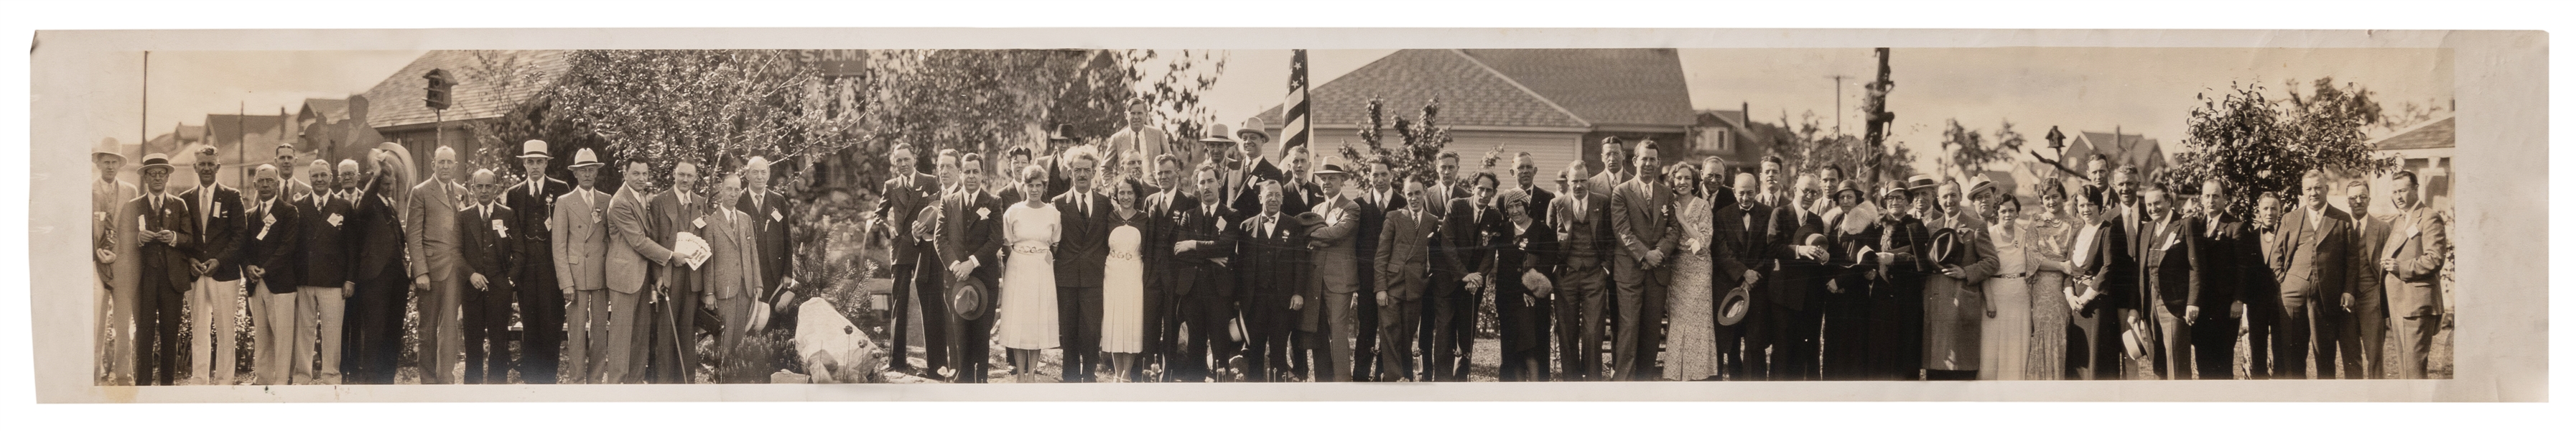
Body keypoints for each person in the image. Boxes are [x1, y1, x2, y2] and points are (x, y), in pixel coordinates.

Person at [118, 154, 196, 386]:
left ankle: (167, 386)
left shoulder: (178, 204)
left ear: (168, 177)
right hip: (142, 279)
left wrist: (173, 237)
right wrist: (138, 237)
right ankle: (143, 386)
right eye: (152, 174)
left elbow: (190, 239)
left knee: (170, 333)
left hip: (172, 279)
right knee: (144, 333)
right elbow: (122, 238)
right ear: (145, 178)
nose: (158, 178)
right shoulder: (134, 206)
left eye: (162, 173)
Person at [2269, 171, 2353, 379]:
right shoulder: (2291, 218)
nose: (2313, 193)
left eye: (2318, 188)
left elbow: (2352, 260)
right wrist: (2284, 281)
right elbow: (2276, 255)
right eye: (2308, 189)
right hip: (2292, 296)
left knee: (2324, 355)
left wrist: (2348, 290)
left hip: (2326, 297)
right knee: (2293, 355)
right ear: (2302, 192)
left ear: (2326, 189)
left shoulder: (2342, 219)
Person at [876, 144, 950, 379]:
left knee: (931, 303)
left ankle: (936, 364)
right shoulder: (891, 186)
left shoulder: (929, 181)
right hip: (900, 249)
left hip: (925, 247)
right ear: (894, 163)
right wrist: (888, 229)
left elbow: (940, 208)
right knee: (900, 301)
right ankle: (896, 361)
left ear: (914, 159)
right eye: (898, 161)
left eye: (906, 159)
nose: (903, 164)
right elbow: (879, 214)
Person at [1608, 139, 1678, 381]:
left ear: (1658, 163)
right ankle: (1623, 385)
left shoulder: (1666, 193)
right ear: (1634, 161)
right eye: (1643, 159)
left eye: (1652, 159)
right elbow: (1622, 230)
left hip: (1657, 271)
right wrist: (1644, 254)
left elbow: (1673, 229)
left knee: (1651, 331)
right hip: (1630, 271)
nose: (1648, 164)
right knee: (1628, 329)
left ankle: (1645, 384)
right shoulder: (1622, 192)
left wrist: (1659, 253)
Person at [177, 147, 248, 385]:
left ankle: (224, 382)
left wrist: (219, 260)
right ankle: (199, 380)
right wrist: (191, 261)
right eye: (202, 164)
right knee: (199, 329)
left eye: (211, 164)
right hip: (196, 274)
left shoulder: (232, 196)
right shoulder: (185, 199)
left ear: (218, 167)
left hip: (224, 274)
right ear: (194, 167)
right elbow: (183, 237)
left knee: (226, 330)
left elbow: (240, 236)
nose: (206, 168)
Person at [506, 140, 572, 384]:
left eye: (539, 161)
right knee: (530, 325)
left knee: (552, 325)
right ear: (524, 164)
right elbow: (513, 233)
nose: (535, 166)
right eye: (530, 161)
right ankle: (531, 381)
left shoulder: (561, 188)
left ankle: (548, 380)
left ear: (546, 163)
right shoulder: (514, 194)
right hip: (526, 273)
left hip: (552, 270)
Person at [347, 149, 414, 384]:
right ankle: (371, 380)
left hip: (397, 279)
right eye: (383, 183)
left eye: (391, 182)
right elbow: (360, 208)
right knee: (374, 331)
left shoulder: (392, 205)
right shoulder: (367, 202)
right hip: (375, 279)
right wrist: (375, 176)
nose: (388, 187)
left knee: (393, 331)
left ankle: (387, 379)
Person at [940, 153, 1006, 383]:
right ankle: (963, 380)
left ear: (982, 175)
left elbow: (996, 239)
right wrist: (957, 265)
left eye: (975, 171)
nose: (970, 176)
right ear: (960, 174)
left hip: (985, 280)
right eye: (966, 171)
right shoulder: (948, 202)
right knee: (961, 335)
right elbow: (940, 239)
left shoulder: (994, 202)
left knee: (981, 336)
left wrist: (972, 263)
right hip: (957, 278)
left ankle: (981, 382)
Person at [1167, 163, 1236, 382]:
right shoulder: (1189, 215)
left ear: (1219, 183)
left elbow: (1226, 246)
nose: (1206, 186)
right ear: (1197, 186)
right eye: (1202, 182)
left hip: (1219, 292)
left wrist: (1194, 245)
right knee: (1195, 349)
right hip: (1193, 292)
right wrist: (1211, 255)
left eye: (1211, 181)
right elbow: (1180, 251)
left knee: (1220, 349)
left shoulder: (1231, 215)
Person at [406, 146, 469, 384]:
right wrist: (420, 271)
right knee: (427, 331)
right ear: (433, 165)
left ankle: (446, 378)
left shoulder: (462, 192)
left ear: (455, 166)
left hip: (456, 272)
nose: (445, 166)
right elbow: (413, 234)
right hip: (431, 272)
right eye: (440, 162)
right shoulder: (421, 192)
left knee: (450, 329)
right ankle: (429, 381)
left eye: (449, 162)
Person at [1051, 144, 1113, 382]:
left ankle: (1089, 374)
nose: (1082, 175)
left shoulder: (1104, 203)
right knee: (1069, 331)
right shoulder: (1058, 203)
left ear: (1095, 171)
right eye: (1077, 170)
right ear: (1070, 171)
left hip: (1094, 277)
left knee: (1091, 329)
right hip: (1066, 276)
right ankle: (1069, 377)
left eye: (1087, 170)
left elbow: (1108, 239)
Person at [643, 161, 709, 384]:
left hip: (692, 278)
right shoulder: (659, 201)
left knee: (687, 333)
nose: (685, 180)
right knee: (665, 332)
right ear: (674, 173)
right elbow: (651, 241)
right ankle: (664, 384)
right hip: (668, 276)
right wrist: (658, 277)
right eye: (681, 174)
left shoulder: (701, 203)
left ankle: (686, 384)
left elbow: (705, 242)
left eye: (690, 176)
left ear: (696, 177)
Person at [1301, 159, 1366, 382]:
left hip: (1340, 281)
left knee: (1338, 333)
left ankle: (1342, 384)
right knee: (1318, 333)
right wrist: (1323, 236)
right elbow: (1328, 235)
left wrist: (1312, 235)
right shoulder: (1316, 209)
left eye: (1332, 178)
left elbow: (1339, 233)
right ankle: (1323, 382)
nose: (1326, 182)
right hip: (1316, 279)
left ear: (1342, 181)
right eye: (1323, 178)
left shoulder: (1352, 207)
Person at [552, 149, 613, 384]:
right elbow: (559, 246)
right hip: (575, 277)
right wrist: (565, 281)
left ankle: (596, 379)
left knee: (600, 331)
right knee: (576, 332)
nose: (587, 174)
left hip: (600, 275)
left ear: (597, 172)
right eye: (582, 170)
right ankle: (577, 380)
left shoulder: (607, 200)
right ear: (575, 174)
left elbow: (611, 239)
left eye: (591, 169)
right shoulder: (565, 202)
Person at [2377, 170, 2447, 379]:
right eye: (2395, 192)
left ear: (2416, 190)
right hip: (2398, 303)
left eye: (2403, 191)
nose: (2398, 197)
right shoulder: (2401, 220)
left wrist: (2401, 267)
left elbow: (2435, 258)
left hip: (2417, 304)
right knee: (2405, 368)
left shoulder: (2429, 217)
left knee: (2414, 370)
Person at [1864, 179, 1935, 381]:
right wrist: (1869, 270)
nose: (1895, 201)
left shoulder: (1915, 226)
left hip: (1906, 298)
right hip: (1881, 296)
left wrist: (1895, 259)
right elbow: (1869, 253)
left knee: (1904, 355)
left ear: (1908, 201)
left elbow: (1923, 263)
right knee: (1881, 351)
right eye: (1890, 198)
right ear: (1885, 202)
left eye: (1899, 198)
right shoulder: (1879, 226)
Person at [998, 165, 1064, 383]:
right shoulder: (1013, 211)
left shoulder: (1053, 213)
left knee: (1036, 321)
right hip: (1018, 267)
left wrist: (1046, 255)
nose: (1034, 190)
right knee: (1019, 319)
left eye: (1038, 186)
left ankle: (1032, 374)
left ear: (1044, 187)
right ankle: (1020, 373)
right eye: (1030, 185)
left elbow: (1056, 242)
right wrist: (1017, 257)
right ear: (1024, 186)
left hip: (1041, 269)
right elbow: (1006, 241)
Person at [1763, 173, 1831, 381]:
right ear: (1795, 190)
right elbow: (1772, 247)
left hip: (1810, 297)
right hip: (1784, 296)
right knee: (1783, 352)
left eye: (1814, 192)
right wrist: (1801, 250)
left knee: (1807, 353)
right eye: (1805, 191)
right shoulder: (1780, 213)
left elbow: (1820, 253)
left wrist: (1825, 257)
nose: (1810, 196)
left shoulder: (1817, 220)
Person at [2195, 178, 2265, 379]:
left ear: (2225, 199)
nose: (2211, 200)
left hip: (2225, 307)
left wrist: (2238, 300)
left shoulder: (2236, 227)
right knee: (2203, 362)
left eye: (2216, 196)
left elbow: (2244, 267)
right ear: (2201, 199)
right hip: (2202, 307)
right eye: (2207, 196)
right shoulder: (2196, 227)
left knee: (2222, 363)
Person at [456, 169, 521, 384]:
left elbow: (520, 252)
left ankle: (497, 391)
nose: (484, 191)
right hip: (472, 290)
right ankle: (473, 393)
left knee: (498, 343)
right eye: (479, 186)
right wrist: (471, 274)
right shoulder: (464, 216)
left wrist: (509, 281)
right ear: (472, 188)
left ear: (496, 188)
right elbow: (455, 252)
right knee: (473, 345)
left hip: (499, 291)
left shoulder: (507, 214)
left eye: (488, 186)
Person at [292, 159, 353, 384]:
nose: (319, 180)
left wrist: (350, 279)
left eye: (323, 175)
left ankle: (331, 376)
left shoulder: (343, 207)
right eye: (315, 175)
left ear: (331, 177)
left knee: (332, 331)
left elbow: (352, 247)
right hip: (305, 279)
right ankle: (302, 376)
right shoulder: (299, 206)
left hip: (333, 281)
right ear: (309, 178)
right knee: (304, 331)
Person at [1549, 162, 1612, 381]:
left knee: (1593, 332)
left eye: (1583, 180)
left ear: (1589, 180)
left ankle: (1593, 382)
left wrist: (1605, 267)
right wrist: (1554, 270)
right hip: (1566, 275)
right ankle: (1572, 382)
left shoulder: (1602, 202)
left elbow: (1610, 237)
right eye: (1574, 181)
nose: (1578, 185)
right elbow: (1549, 242)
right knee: (1566, 332)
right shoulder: (1557, 204)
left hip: (1595, 274)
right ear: (1568, 181)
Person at [603, 159, 664, 384]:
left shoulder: (641, 198)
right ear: (624, 173)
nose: (641, 178)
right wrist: (669, 256)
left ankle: (635, 382)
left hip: (641, 278)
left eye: (645, 173)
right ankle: (617, 384)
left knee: (639, 335)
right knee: (621, 336)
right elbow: (638, 242)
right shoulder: (619, 202)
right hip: (623, 278)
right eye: (636, 173)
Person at [2063, 185, 2131, 381]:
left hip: (2097, 305)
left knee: (2098, 361)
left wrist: (2085, 298)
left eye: (2090, 205)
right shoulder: (2078, 232)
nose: (2086, 209)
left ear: (2099, 205)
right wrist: (2070, 296)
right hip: (2076, 306)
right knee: (2079, 359)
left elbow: (2108, 267)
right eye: (2082, 205)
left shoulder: (2108, 230)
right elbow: (2069, 266)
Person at [1492, 181, 1558, 381]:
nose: (1515, 210)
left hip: (1533, 300)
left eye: (1518, 205)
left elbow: (1548, 264)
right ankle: (1518, 394)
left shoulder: (1543, 231)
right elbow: (1500, 265)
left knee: (1532, 349)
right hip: (1508, 298)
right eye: (1510, 207)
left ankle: (1537, 393)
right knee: (1513, 352)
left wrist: (1529, 289)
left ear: (1527, 206)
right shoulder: (1503, 231)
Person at [699, 173, 763, 379]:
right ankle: (720, 380)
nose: (733, 194)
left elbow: (753, 253)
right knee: (724, 338)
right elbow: (708, 261)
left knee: (740, 336)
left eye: (737, 190)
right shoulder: (711, 222)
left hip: (744, 288)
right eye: (729, 189)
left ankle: (735, 379)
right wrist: (709, 292)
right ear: (721, 191)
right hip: (723, 288)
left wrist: (757, 283)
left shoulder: (745, 219)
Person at [1662, 164, 1721, 381]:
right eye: (1678, 178)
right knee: (1678, 321)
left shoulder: (1703, 206)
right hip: (1677, 269)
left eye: (1687, 178)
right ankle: (1676, 374)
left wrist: (1682, 221)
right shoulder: (1668, 204)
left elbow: (1704, 241)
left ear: (1695, 182)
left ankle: (1698, 373)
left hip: (1699, 268)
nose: (1683, 182)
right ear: (1673, 181)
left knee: (1697, 321)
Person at [240, 164, 297, 386]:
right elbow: (242, 248)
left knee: (283, 338)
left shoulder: (288, 211)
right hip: (256, 285)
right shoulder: (250, 215)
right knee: (262, 337)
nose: (265, 185)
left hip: (281, 284)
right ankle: (262, 379)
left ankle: (281, 382)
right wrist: (248, 267)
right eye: (261, 181)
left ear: (277, 184)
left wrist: (266, 268)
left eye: (269, 181)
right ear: (254, 185)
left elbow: (288, 246)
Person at [1423, 152, 1478, 381]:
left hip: (1462, 272)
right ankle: (1441, 378)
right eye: (1443, 167)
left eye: (1451, 167)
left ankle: (1461, 377)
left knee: (1464, 328)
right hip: (1437, 272)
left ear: (1458, 169)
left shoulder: (1467, 196)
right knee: (1442, 327)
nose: (1447, 172)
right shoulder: (1426, 195)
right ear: (1436, 168)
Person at [1708, 170, 1767, 380]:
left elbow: (1771, 251)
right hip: (1731, 287)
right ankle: (1734, 386)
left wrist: (1754, 276)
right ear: (1734, 192)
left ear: (1757, 191)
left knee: (1755, 342)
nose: (1745, 198)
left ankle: (1755, 389)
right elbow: (1721, 252)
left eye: (1750, 193)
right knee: (1731, 344)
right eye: (1741, 193)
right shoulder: (1722, 216)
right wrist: (1743, 274)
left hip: (1758, 288)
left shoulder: (1769, 214)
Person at [1818, 179, 1879, 379]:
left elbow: (1867, 259)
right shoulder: (1834, 222)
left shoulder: (1866, 224)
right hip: (1833, 291)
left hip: (1854, 290)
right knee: (1834, 342)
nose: (1845, 201)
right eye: (1841, 197)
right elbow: (1831, 254)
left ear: (1858, 199)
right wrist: (1830, 281)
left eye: (1849, 197)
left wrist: (1840, 282)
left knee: (1852, 343)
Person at [1099, 177, 1153, 382]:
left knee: (1131, 320)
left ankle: (1126, 374)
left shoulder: (1144, 219)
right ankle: (1116, 372)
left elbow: (1147, 249)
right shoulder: (1110, 217)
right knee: (1114, 320)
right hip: (1112, 273)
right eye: (1122, 193)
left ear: (1137, 195)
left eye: (1130, 193)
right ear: (1116, 195)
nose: (1126, 197)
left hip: (1134, 273)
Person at [1347, 159, 1396, 381]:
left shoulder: (1402, 202)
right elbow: (1353, 246)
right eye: (1375, 175)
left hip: (1394, 281)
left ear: (1392, 175)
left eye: (1384, 174)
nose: (1379, 179)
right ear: (1369, 177)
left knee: (1389, 331)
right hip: (1367, 283)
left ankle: (1384, 377)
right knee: (1365, 331)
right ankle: (1360, 378)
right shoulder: (1358, 205)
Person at [93, 142, 138, 384]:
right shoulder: (87, 191)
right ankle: (93, 377)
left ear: (120, 165)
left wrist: (119, 252)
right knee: (96, 324)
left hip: (122, 267)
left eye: (114, 162)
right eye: (106, 162)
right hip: (95, 266)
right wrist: (97, 252)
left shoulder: (131, 191)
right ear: (98, 163)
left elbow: (133, 229)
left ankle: (123, 375)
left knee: (123, 325)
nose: (110, 166)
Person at [2022, 180, 2075, 380]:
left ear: (2063, 196)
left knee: (2062, 334)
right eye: (2047, 198)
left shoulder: (2075, 224)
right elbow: (2033, 257)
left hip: (2066, 288)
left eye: (2055, 196)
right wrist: (2061, 265)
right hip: (2042, 288)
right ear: (2041, 201)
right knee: (2043, 335)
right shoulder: (2036, 222)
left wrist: (2066, 269)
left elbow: (2076, 257)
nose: (2051, 201)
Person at [2343, 178, 2391, 379]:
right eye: (2353, 198)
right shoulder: (2339, 225)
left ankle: (2377, 395)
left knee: (2375, 354)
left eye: (2363, 196)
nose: (2359, 201)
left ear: (2369, 199)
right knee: (2350, 354)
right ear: (2348, 202)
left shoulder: (2382, 228)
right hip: (2345, 299)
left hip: (2372, 297)